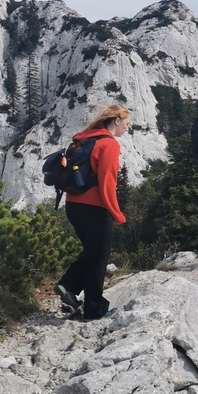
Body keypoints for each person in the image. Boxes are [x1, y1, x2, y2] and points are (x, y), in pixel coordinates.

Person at [55, 104, 130, 320]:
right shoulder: (109, 144)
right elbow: (107, 182)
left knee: (92, 252)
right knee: (98, 259)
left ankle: (68, 285)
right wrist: (116, 213)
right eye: (126, 123)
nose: (127, 128)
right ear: (116, 120)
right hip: (95, 208)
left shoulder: (85, 139)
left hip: (73, 206)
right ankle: (94, 311)